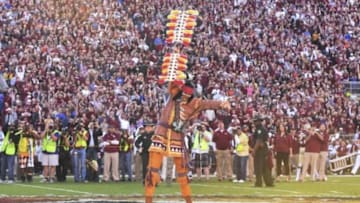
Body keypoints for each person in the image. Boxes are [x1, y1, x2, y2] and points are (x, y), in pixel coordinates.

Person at [145, 82, 230, 203]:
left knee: (182, 174)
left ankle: (188, 201)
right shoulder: (173, 97)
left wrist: (221, 104)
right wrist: (178, 75)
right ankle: (148, 200)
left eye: (188, 93)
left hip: (176, 138)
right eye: (184, 92)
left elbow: (207, 103)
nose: (185, 95)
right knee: (152, 171)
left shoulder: (194, 103)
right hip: (161, 135)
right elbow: (172, 83)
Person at [251, 115, 274, 187]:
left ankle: (259, 182)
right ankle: (269, 182)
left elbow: (259, 140)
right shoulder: (263, 128)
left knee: (258, 167)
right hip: (264, 151)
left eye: (255, 121)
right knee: (265, 167)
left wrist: (254, 150)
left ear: (258, 121)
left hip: (260, 151)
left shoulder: (259, 129)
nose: (254, 123)